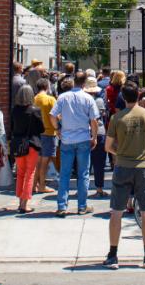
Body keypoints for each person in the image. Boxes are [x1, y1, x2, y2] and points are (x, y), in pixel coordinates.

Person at [103, 80, 145, 269]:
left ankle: (113, 254)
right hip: (143, 166)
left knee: (117, 211)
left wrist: (120, 152)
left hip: (122, 166)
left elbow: (108, 146)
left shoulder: (116, 118)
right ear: (137, 96)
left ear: (122, 97)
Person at [50, 73, 100, 217]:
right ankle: (82, 206)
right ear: (84, 83)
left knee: (65, 174)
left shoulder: (63, 97)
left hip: (66, 139)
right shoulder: (88, 98)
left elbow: (52, 115)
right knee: (83, 174)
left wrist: (57, 129)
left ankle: (62, 206)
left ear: (73, 81)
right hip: (83, 138)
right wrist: (94, 137)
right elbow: (94, 121)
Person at [10, 84, 45, 214]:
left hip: (19, 145)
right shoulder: (35, 111)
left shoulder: (14, 110)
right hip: (32, 144)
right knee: (30, 173)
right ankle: (25, 203)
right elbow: (41, 129)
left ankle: (20, 201)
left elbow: (12, 128)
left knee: (20, 173)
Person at [85, 75, 110, 197]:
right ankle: (99, 188)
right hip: (99, 133)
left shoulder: (82, 99)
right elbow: (102, 117)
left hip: (84, 132)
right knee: (99, 163)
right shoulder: (99, 101)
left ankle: (83, 188)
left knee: (85, 164)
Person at [32, 78, 57, 194]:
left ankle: (33, 185)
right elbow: (57, 116)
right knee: (45, 162)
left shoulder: (33, 99)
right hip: (49, 133)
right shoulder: (51, 99)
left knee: (37, 161)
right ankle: (42, 185)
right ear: (47, 87)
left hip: (36, 134)